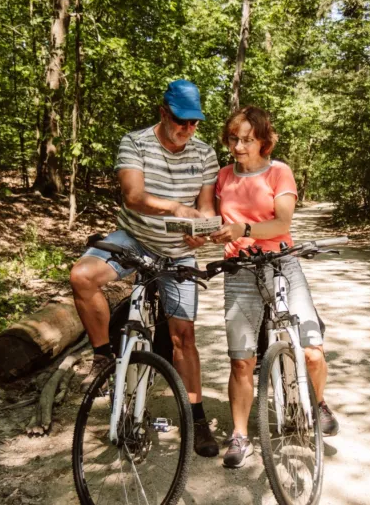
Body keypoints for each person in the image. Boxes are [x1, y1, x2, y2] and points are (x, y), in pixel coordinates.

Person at [69, 80, 220, 458]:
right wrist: (175, 208)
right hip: (134, 238)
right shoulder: (135, 142)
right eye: (182, 121)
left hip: (178, 251)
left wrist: (201, 229)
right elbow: (133, 196)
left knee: (184, 335)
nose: (189, 130)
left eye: (195, 123)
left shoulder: (204, 153)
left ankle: (195, 416)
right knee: (82, 277)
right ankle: (104, 354)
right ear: (163, 112)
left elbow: (205, 207)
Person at [209, 106, 339, 469]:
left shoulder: (278, 171)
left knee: (311, 351)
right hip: (239, 270)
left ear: (265, 141)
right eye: (234, 139)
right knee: (241, 359)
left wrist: (244, 230)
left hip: (282, 263)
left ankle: (318, 402)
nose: (238, 146)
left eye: (248, 140)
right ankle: (239, 434)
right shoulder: (222, 177)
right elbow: (208, 219)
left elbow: (282, 221)